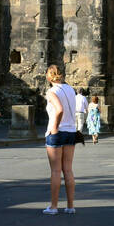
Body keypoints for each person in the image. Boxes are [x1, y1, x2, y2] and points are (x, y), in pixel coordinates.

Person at [43, 65, 80, 214]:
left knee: (56, 171)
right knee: (68, 170)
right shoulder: (70, 89)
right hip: (71, 131)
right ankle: (70, 206)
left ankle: (53, 206)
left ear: (49, 77)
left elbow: (59, 110)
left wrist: (54, 127)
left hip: (57, 132)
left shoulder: (51, 91)